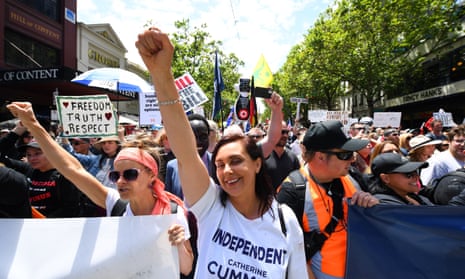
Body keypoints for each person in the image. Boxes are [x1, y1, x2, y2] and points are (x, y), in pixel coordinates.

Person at [135, 27, 307, 278]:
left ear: (258, 164)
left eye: (236, 161)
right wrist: (162, 75)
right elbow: (185, 152)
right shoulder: (210, 206)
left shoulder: (285, 220)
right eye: (219, 164)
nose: (227, 171)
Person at [6, 102, 194, 276]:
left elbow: (186, 269)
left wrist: (177, 244)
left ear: (151, 175)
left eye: (129, 174)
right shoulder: (116, 205)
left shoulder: (172, 212)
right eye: (115, 176)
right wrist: (32, 124)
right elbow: (71, 169)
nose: (120, 181)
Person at [277, 120, 379, 279]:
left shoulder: (352, 177)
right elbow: (286, 251)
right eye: (345, 154)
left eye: (352, 154)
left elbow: (373, 225)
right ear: (321, 157)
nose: (352, 160)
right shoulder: (293, 191)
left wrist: (371, 205)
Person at [0, 139, 81, 217]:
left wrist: (44, 222)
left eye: (37, 153)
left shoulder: (65, 176)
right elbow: (2, 158)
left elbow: (70, 208)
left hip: (52, 226)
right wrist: (16, 133)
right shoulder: (27, 168)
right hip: (26, 224)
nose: (32, 158)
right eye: (28, 154)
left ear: (52, 153)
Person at [265, 121, 301, 190]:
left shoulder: (293, 158)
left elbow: (298, 181)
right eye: (282, 132)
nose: (285, 135)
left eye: (287, 132)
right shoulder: (262, 156)